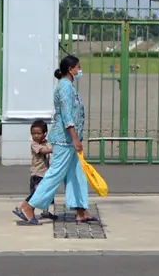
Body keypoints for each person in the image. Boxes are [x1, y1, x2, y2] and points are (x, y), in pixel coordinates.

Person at [13, 55, 98, 225]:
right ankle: (28, 205)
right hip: (64, 140)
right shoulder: (65, 88)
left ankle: (81, 210)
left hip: (69, 140)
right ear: (70, 69)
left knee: (76, 174)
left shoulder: (68, 87)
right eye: (78, 67)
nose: (80, 70)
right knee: (55, 174)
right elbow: (67, 115)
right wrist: (75, 138)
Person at [26, 120, 57, 220]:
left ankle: (45, 212)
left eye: (39, 133)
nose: (36, 136)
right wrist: (55, 149)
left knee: (47, 194)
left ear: (44, 134)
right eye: (33, 133)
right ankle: (30, 211)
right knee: (36, 194)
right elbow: (44, 151)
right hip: (37, 174)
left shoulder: (46, 142)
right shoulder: (34, 144)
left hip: (45, 174)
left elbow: (50, 147)